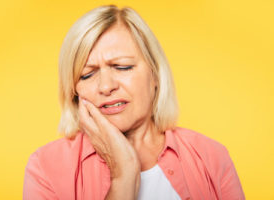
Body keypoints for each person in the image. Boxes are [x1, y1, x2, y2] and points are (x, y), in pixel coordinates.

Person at [23, 5, 245, 200]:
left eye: (122, 67)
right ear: (74, 91)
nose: (105, 86)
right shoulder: (45, 168)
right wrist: (123, 176)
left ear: (155, 73)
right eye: (87, 75)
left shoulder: (212, 156)